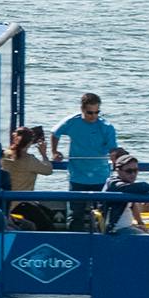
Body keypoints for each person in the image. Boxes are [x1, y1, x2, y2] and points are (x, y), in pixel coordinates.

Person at [53, 93, 119, 229]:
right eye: (90, 112)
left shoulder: (106, 126)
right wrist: (55, 151)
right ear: (82, 109)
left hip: (101, 177)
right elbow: (55, 133)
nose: (94, 116)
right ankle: (73, 242)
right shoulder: (72, 122)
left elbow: (113, 148)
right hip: (77, 176)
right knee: (75, 215)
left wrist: (115, 155)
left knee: (102, 215)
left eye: (97, 112)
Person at [2, 125, 59, 230]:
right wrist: (44, 154)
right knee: (48, 227)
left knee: (48, 212)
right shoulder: (29, 160)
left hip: (6, 204)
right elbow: (48, 170)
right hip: (21, 204)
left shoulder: (5, 155)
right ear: (29, 143)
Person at [101, 149, 149, 234]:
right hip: (116, 230)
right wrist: (147, 190)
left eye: (135, 170)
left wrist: (140, 223)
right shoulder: (114, 184)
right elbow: (143, 187)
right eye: (129, 171)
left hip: (128, 226)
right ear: (118, 170)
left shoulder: (128, 185)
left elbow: (132, 205)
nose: (133, 174)